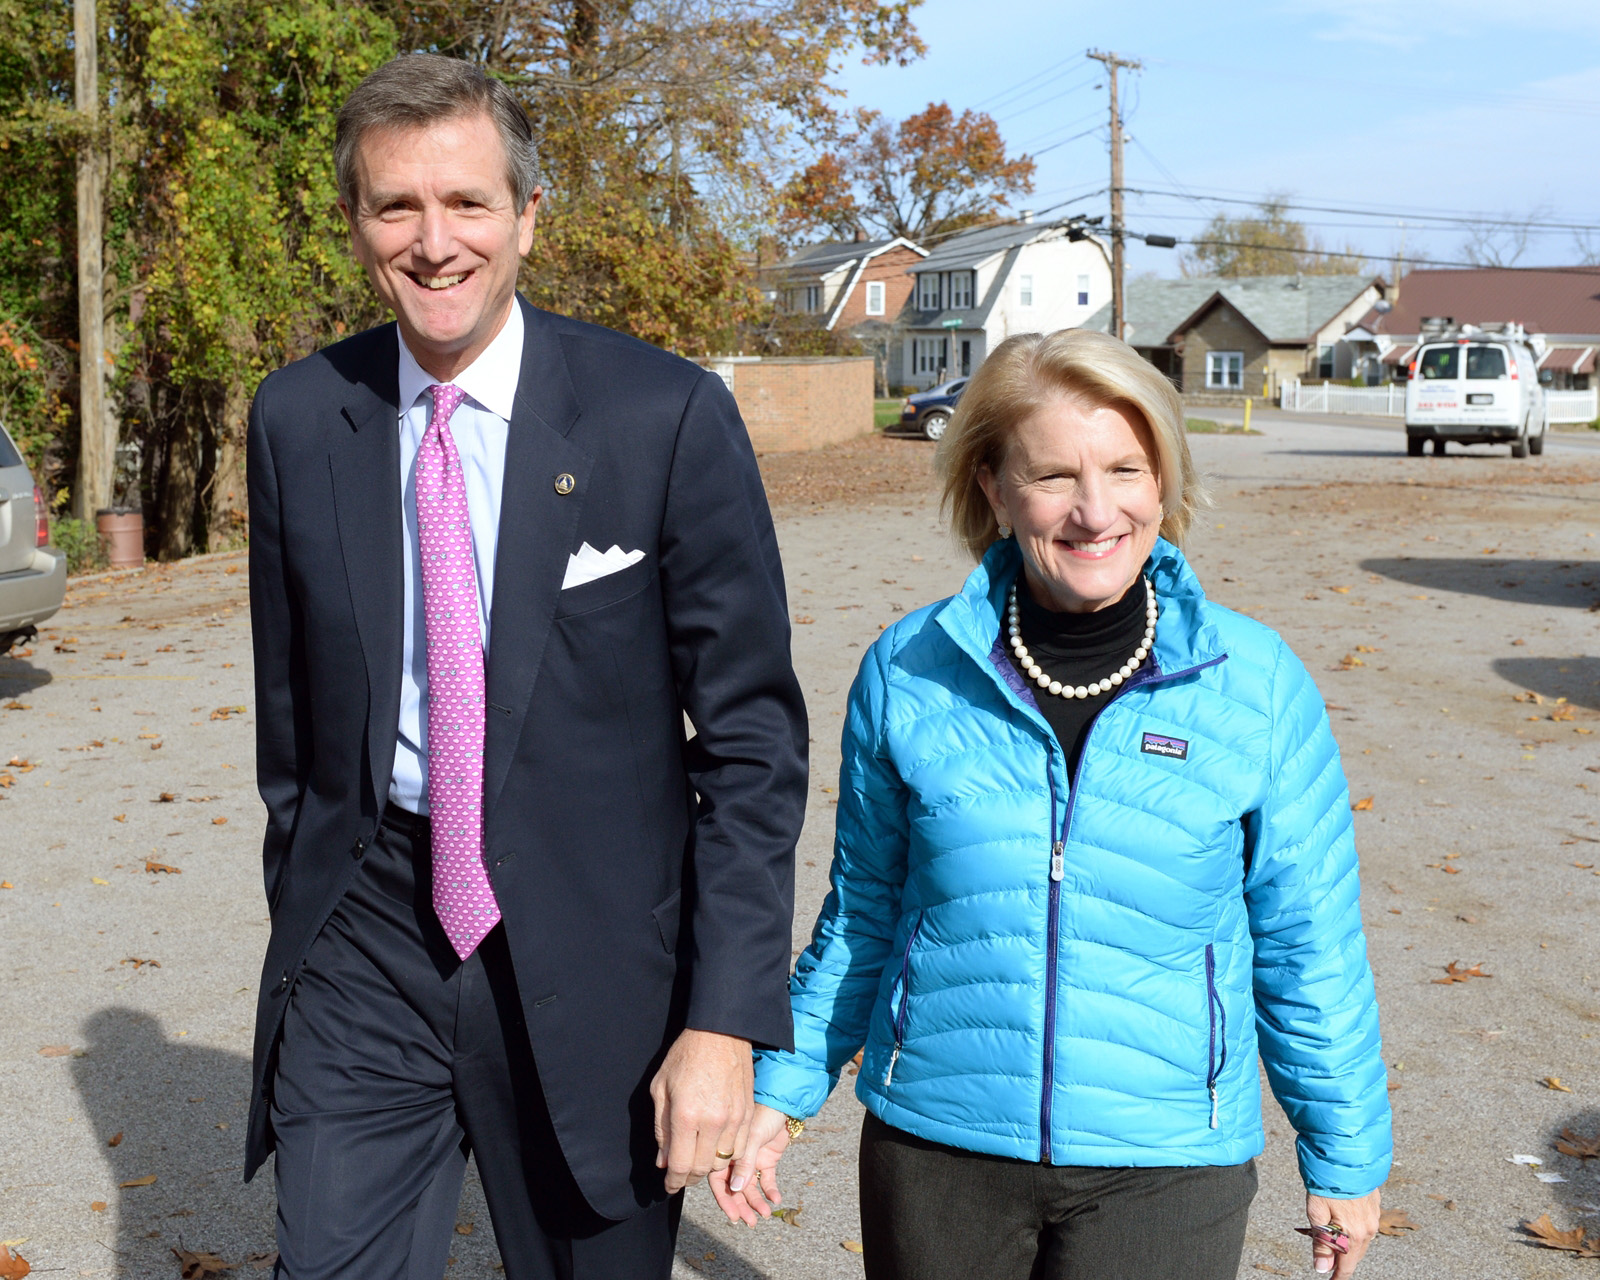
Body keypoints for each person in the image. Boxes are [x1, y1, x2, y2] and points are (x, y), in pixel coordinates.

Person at [245, 54, 807, 1280]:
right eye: (396, 205)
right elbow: (290, 730)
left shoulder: (658, 416)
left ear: (529, 217)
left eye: (467, 203)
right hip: (370, 935)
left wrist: (721, 1019)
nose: (434, 240)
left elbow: (755, 748)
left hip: (597, 950)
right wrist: (309, 909)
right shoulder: (297, 419)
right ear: (355, 226)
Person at [711, 329, 1392, 1280]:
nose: (1095, 509)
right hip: (940, 1154)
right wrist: (778, 1095)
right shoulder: (908, 673)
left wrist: (1345, 1156)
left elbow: (1307, 940)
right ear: (991, 486)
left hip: (1166, 1169)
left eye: (1126, 468)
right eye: (1054, 476)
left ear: (1163, 480)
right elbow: (865, 910)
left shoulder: (1258, 685)